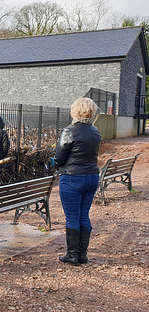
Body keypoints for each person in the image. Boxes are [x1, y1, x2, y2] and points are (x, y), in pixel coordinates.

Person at [54, 97, 101, 266]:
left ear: (75, 111)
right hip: (91, 177)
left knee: (72, 217)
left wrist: (55, 164)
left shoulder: (69, 131)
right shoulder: (95, 131)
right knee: (84, 215)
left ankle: (72, 255)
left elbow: (59, 157)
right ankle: (82, 255)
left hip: (73, 178)